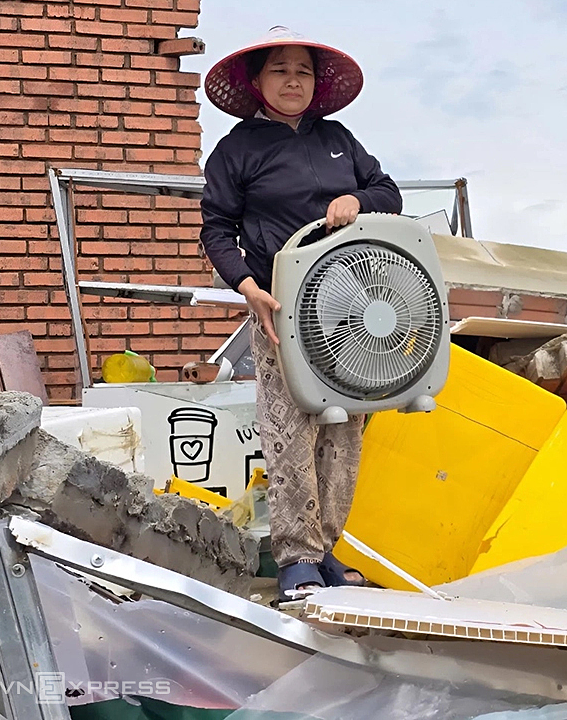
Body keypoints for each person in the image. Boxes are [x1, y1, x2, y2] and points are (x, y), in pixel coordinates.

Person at [198, 26, 403, 603]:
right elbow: (216, 228)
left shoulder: (339, 138)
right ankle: (294, 557)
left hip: (356, 305)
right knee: (290, 427)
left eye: (304, 71)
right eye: (280, 69)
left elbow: (389, 192)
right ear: (257, 81)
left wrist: (358, 200)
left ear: (316, 84)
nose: (293, 79)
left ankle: (326, 550)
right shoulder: (237, 150)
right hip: (282, 307)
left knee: (347, 425)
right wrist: (246, 286)